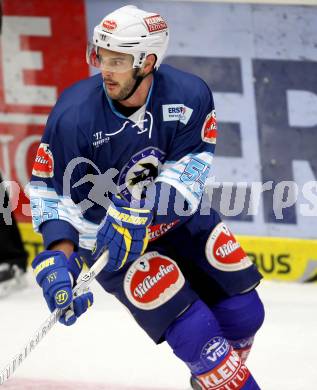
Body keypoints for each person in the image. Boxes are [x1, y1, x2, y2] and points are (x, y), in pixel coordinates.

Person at [29, 5, 264, 389]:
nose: (105, 69)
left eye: (118, 60)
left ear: (148, 61)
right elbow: (48, 191)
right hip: (114, 243)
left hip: (178, 220)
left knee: (244, 312)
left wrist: (140, 208)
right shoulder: (73, 116)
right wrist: (61, 254)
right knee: (197, 336)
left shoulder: (190, 95)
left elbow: (190, 172)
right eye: (101, 56)